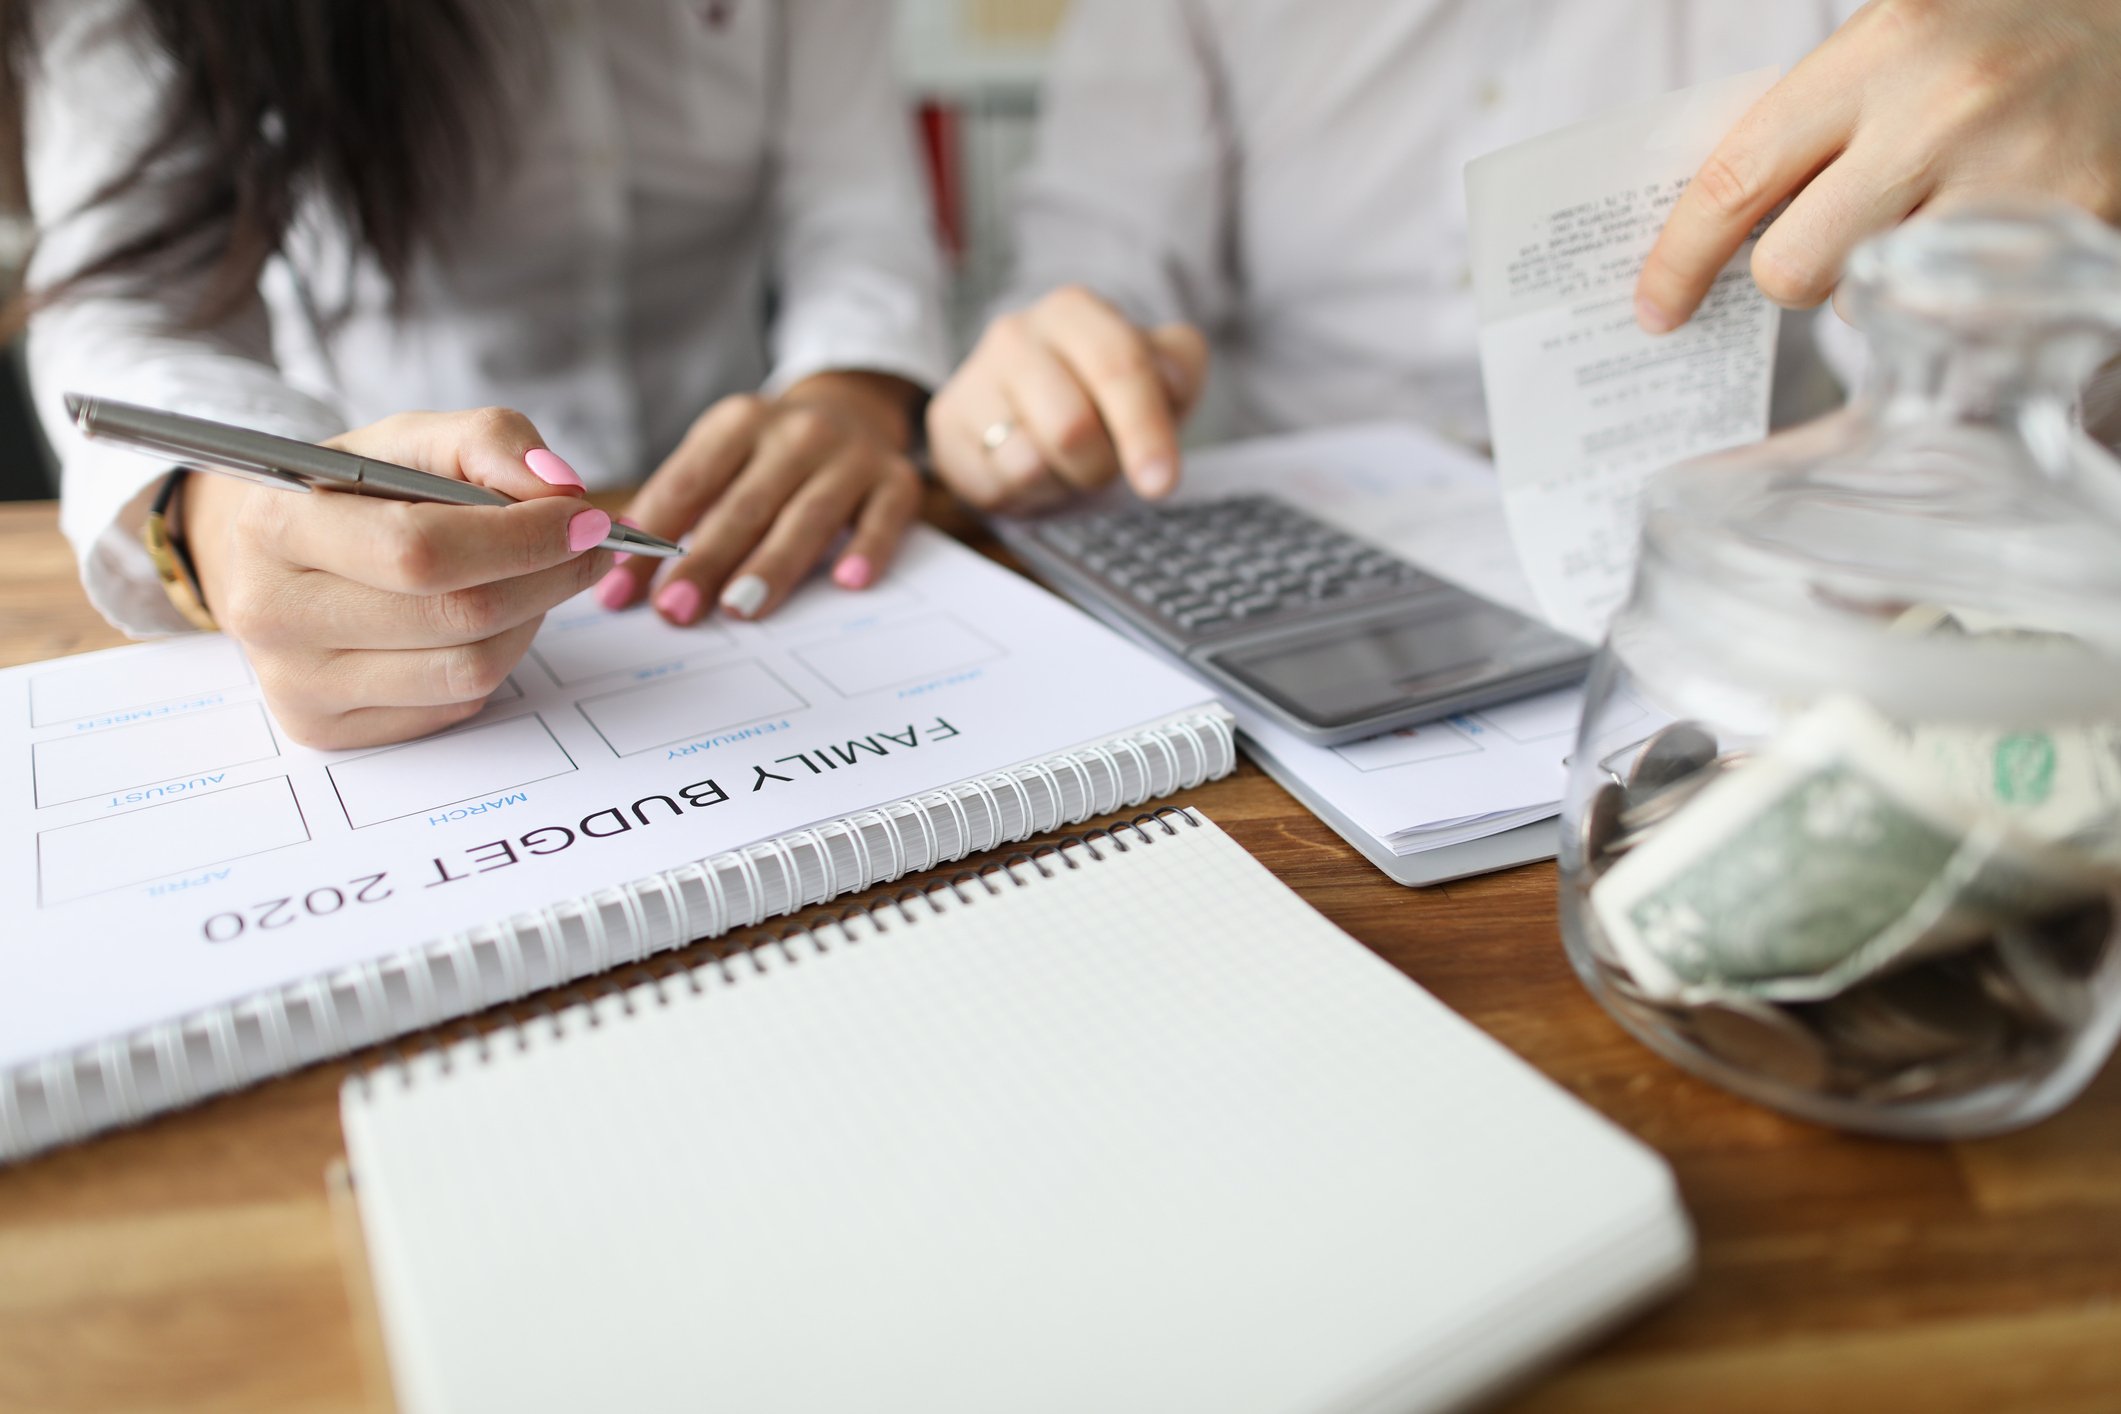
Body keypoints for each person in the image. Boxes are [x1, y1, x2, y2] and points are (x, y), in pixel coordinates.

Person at [11, 0, 950, 748]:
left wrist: (847, 394)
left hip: (751, 496)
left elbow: (858, 214)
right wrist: (218, 519)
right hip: (373, 533)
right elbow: (132, 302)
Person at [929, 0, 2121, 513]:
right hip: (1317, 559)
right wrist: (1038, 384)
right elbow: (1090, 268)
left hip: (1732, 560)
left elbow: (1963, 401)